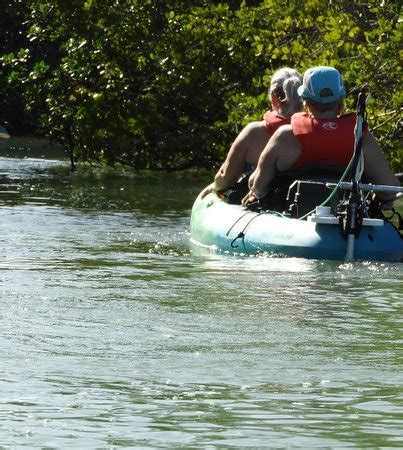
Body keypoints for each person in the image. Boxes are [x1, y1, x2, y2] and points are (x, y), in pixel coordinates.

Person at [243, 66, 400, 205]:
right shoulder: (360, 137)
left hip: (294, 221)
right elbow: (390, 191)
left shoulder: (285, 136)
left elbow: (258, 187)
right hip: (346, 223)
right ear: (341, 101)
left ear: (305, 101)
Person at [201, 67, 303, 198]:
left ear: (272, 97)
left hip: (264, 202)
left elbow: (226, 178)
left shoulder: (253, 133)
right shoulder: (314, 133)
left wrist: (212, 188)